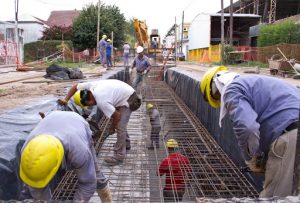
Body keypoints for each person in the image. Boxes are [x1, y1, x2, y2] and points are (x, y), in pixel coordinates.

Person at [200, 66, 300, 197]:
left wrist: (251, 158)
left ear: (214, 88)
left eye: (217, 97)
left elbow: (247, 128)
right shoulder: (255, 83)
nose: (221, 100)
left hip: (291, 134)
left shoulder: (232, 89)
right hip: (292, 130)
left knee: (274, 197)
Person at [19, 111, 112, 202]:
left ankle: (107, 200)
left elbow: (88, 183)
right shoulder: (27, 152)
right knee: (34, 187)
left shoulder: (79, 151)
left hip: (76, 122)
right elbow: (36, 188)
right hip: (53, 119)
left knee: (94, 174)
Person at [58, 79, 141, 166]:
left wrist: (112, 128)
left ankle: (119, 157)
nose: (91, 106)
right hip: (124, 94)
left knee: (120, 126)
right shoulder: (90, 86)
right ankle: (126, 144)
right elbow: (75, 86)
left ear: (89, 100)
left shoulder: (102, 101)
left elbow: (117, 116)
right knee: (120, 124)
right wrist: (66, 99)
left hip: (131, 100)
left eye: (88, 105)